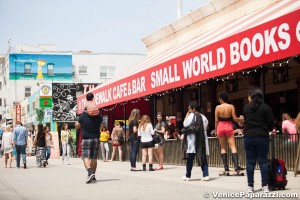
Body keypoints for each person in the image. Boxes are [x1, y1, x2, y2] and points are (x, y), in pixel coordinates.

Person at [243, 87, 274, 193]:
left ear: (252, 96)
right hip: (262, 136)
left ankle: (250, 186)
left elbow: (246, 121)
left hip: (248, 137)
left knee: (250, 162)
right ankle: (265, 186)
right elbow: (271, 124)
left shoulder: (246, 108)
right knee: (263, 162)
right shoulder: (266, 108)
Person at [75, 92, 102, 184]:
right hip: (96, 139)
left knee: (85, 157)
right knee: (94, 158)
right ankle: (93, 175)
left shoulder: (83, 116)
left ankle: (90, 172)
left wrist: (79, 123)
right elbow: (102, 126)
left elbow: (77, 126)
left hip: (86, 139)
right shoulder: (99, 116)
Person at [215, 91, 244, 172]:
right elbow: (235, 119)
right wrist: (243, 119)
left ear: (220, 98)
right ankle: (236, 166)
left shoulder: (217, 107)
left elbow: (216, 120)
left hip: (220, 126)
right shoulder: (231, 106)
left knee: (223, 147)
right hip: (228, 125)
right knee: (233, 146)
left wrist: (216, 130)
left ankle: (226, 167)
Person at [182, 103, 209, 181]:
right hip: (201, 140)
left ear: (193, 109)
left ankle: (188, 176)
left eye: (189, 109)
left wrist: (187, 116)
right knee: (202, 157)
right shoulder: (204, 117)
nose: (189, 111)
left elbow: (185, 124)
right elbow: (206, 125)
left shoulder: (191, 115)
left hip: (192, 139)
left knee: (190, 158)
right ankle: (205, 175)